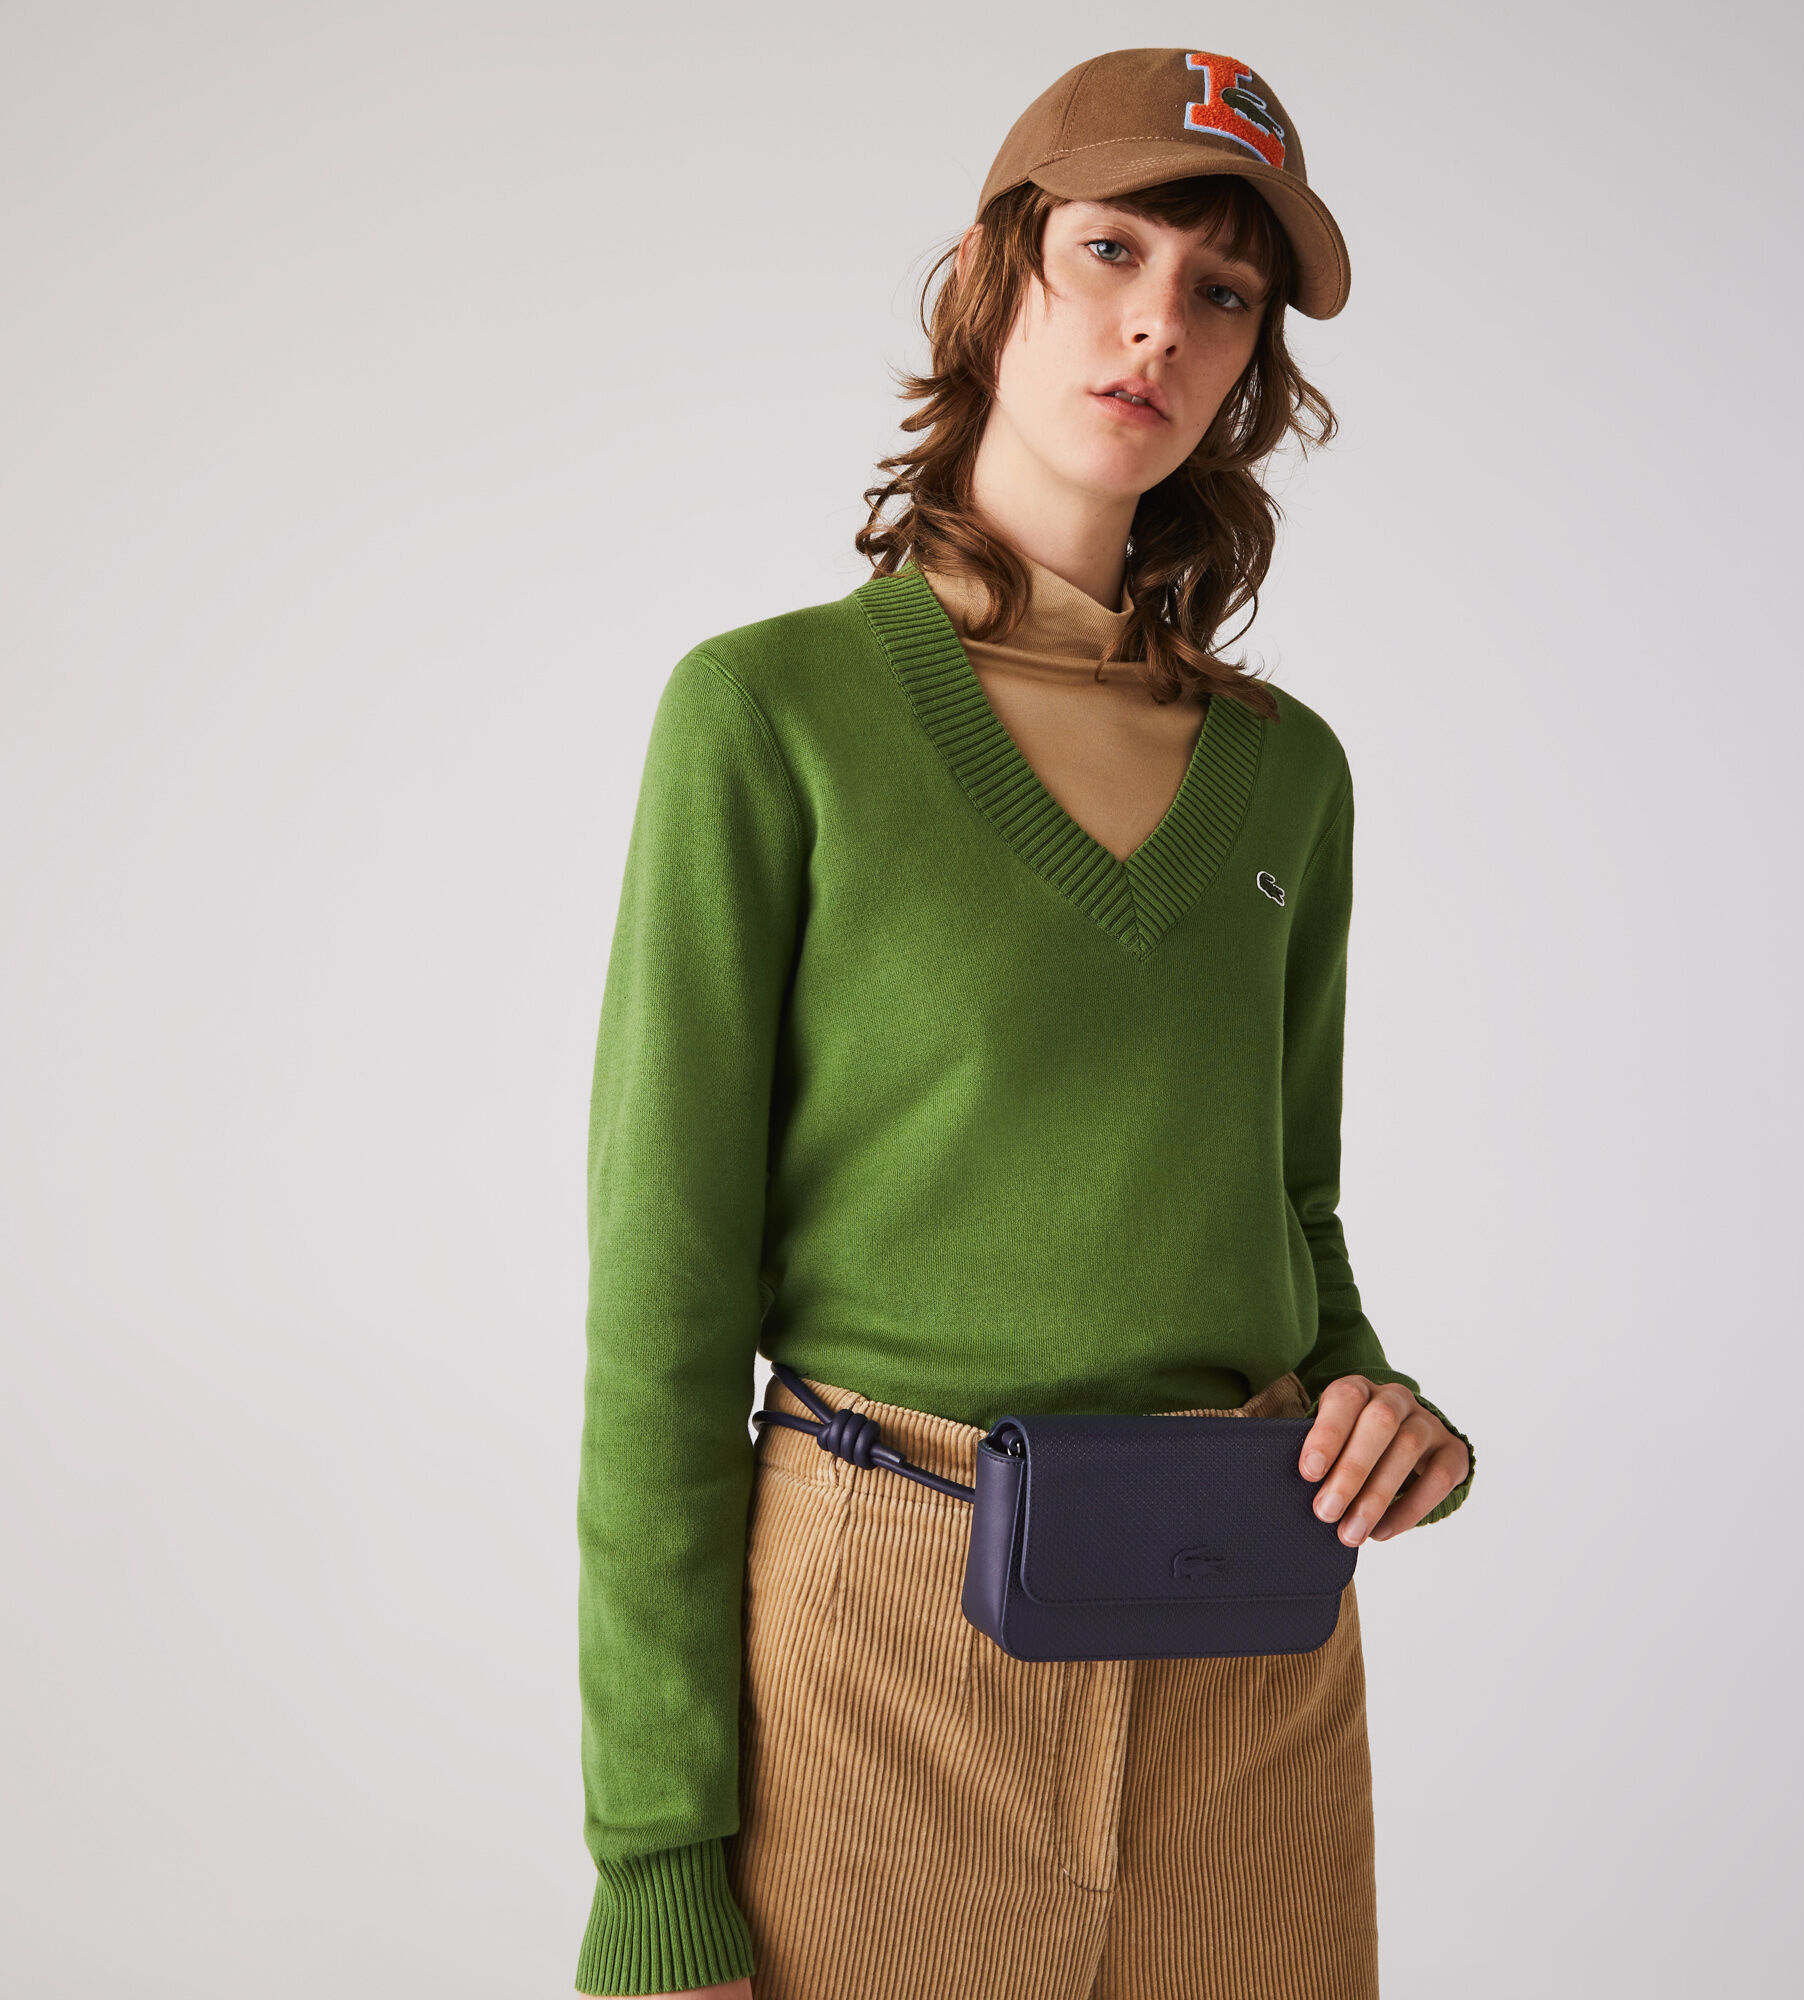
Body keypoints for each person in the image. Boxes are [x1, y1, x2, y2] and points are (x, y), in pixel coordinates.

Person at [574, 46, 1474, 2000]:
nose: (1160, 324)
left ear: (1250, 366)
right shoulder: (767, 717)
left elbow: (1289, 1211)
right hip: (879, 1646)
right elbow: (661, 1313)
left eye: (1223, 291)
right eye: (1111, 251)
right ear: (996, 279)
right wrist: (656, 1868)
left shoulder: (1288, 774)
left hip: (1249, 1644)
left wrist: (1376, 1404)